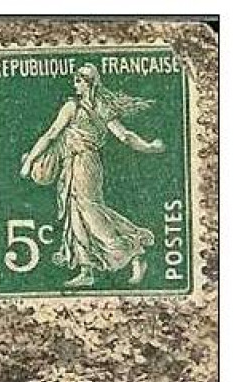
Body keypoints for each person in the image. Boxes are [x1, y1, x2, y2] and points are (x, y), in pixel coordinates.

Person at [20, 64, 165, 288]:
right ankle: (86, 269)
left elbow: (51, 135)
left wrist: (30, 160)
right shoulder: (98, 107)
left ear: (89, 83)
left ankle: (133, 250)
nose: (75, 84)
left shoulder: (74, 107)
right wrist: (148, 146)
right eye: (75, 80)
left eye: (78, 80)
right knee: (76, 213)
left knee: (90, 212)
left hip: (84, 163)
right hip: (76, 163)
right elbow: (124, 136)